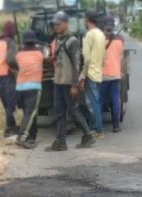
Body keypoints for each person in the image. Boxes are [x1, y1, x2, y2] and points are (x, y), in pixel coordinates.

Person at [48, 11, 95, 152]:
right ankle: (60, 141)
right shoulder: (57, 40)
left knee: (73, 111)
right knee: (59, 112)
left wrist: (75, 84)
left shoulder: (72, 41)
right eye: (54, 24)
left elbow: (76, 64)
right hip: (58, 81)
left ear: (65, 23)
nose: (56, 26)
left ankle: (88, 135)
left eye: (58, 23)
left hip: (69, 83)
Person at [15, 30, 45, 149]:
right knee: (30, 113)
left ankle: (32, 136)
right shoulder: (40, 54)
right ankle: (21, 137)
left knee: (29, 113)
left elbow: (14, 64)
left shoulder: (18, 55)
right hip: (33, 87)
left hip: (20, 88)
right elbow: (48, 55)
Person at [79, 11, 107, 139]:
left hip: (90, 73)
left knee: (93, 103)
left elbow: (86, 58)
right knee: (95, 102)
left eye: (84, 19)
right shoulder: (101, 34)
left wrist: (82, 76)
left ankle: (99, 130)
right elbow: (104, 57)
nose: (83, 21)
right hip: (98, 73)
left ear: (87, 20)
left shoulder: (89, 35)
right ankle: (93, 127)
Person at [0, 21, 19, 138]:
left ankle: (11, 125)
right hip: (6, 75)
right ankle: (10, 128)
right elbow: (11, 59)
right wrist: (17, 68)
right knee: (11, 103)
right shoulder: (10, 42)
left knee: (6, 102)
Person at [100, 16, 124, 133]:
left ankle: (98, 127)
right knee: (115, 100)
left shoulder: (99, 40)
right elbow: (121, 56)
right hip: (116, 74)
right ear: (113, 26)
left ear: (103, 26)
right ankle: (116, 126)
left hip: (103, 75)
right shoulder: (120, 39)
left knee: (100, 100)